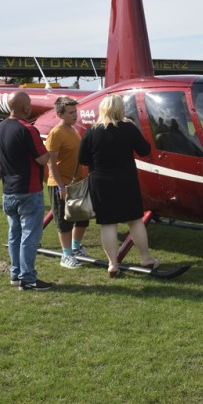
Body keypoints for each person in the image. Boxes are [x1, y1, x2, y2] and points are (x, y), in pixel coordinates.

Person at [0, 92, 55, 291]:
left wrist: (0, 161)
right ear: (25, 108)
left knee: (14, 234)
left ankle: (16, 274)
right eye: (29, 104)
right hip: (29, 190)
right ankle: (28, 278)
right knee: (29, 236)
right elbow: (42, 159)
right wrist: (51, 151)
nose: (31, 106)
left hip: (8, 191)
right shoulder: (28, 129)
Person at [77, 94, 157, 277]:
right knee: (135, 220)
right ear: (120, 109)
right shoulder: (128, 128)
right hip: (125, 180)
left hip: (101, 182)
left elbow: (82, 159)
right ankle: (146, 258)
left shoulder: (92, 131)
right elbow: (145, 150)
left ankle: (113, 264)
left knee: (108, 223)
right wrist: (135, 130)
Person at [45, 96, 90, 268]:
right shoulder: (56, 133)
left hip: (77, 183)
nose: (75, 115)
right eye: (71, 112)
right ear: (60, 114)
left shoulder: (73, 130)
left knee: (82, 219)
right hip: (61, 184)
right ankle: (66, 256)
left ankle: (76, 248)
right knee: (64, 222)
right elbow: (51, 162)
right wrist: (61, 186)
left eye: (75, 111)